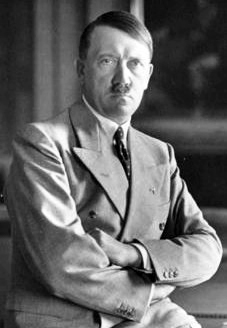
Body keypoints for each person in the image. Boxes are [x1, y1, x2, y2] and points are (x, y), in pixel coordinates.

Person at [4, 10, 222, 328]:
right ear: (81, 70)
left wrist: (134, 254)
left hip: (155, 317)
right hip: (68, 320)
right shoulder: (41, 143)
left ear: (147, 75)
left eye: (134, 64)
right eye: (107, 61)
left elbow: (207, 247)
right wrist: (156, 285)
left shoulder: (159, 154)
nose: (123, 79)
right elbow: (62, 266)